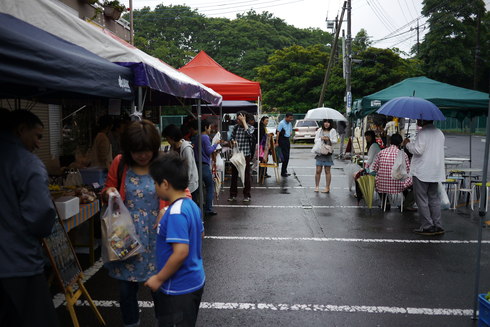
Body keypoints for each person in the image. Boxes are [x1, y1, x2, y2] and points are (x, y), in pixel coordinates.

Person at [102, 119, 167, 327]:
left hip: (156, 236)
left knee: (159, 288)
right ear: (128, 149)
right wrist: (108, 193)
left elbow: (182, 194)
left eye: (147, 150)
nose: (142, 155)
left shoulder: (163, 165)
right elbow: (108, 187)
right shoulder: (120, 163)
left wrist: (166, 208)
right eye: (137, 150)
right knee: (125, 290)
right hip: (125, 233)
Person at [0, 110, 59, 327]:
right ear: (21, 130)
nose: (37, 144)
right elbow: (41, 216)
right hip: (19, 263)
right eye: (37, 136)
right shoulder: (27, 164)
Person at [145, 153, 205, 327]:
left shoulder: (175, 213)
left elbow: (180, 253)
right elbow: (200, 234)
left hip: (178, 288)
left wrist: (158, 278)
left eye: (155, 183)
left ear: (165, 184)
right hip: (194, 280)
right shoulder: (190, 204)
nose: (154, 187)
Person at [403, 120, 446, 236]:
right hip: (435, 171)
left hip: (422, 171)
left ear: (423, 119)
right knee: (434, 198)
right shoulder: (439, 133)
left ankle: (427, 225)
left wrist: (407, 144)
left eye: (419, 119)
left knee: (422, 199)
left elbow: (418, 150)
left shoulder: (423, 133)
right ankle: (438, 225)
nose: (417, 120)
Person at [371, 134, 412, 210]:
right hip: (399, 186)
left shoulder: (381, 153)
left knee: (378, 179)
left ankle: (386, 202)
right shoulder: (403, 155)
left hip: (382, 185)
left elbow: (374, 168)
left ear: (390, 142)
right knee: (411, 180)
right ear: (400, 143)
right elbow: (408, 171)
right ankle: (405, 204)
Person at [162, 124, 199, 200]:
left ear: (173, 138)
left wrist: (184, 187)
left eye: (168, 138)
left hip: (189, 186)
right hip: (180, 185)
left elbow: (188, 169)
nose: (168, 141)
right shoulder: (172, 148)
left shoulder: (186, 149)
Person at [192, 119, 218, 216]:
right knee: (210, 186)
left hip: (197, 164)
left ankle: (197, 207)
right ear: (205, 127)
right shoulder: (205, 137)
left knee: (198, 188)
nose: (210, 129)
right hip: (204, 165)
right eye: (210, 127)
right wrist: (216, 144)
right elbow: (208, 151)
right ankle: (208, 208)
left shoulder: (198, 137)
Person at [229, 112, 255, 202]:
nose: (237, 120)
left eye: (239, 118)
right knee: (234, 175)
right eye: (237, 118)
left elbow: (249, 134)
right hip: (236, 154)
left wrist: (244, 122)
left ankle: (247, 195)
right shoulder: (235, 127)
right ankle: (233, 195)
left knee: (246, 175)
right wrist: (232, 141)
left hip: (245, 154)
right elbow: (231, 138)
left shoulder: (250, 127)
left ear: (244, 118)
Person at [314, 119, 338, 193]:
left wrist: (329, 139)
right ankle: (317, 186)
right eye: (325, 122)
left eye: (328, 122)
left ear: (330, 123)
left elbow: (335, 140)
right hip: (320, 152)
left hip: (328, 152)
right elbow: (315, 140)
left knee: (327, 171)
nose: (326, 124)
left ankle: (327, 187)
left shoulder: (333, 130)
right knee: (318, 170)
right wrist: (321, 138)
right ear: (323, 123)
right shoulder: (320, 130)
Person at [275, 113, 294, 177]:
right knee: (285, 157)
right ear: (286, 117)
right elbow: (278, 132)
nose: (291, 119)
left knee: (287, 156)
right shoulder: (281, 123)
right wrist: (277, 142)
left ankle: (284, 170)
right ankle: (283, 172)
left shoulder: (290, 123)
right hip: (282, 140)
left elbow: (291, 131)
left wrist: (289, 134)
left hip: (287, 140)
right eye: (290, 118)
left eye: (292, 118)